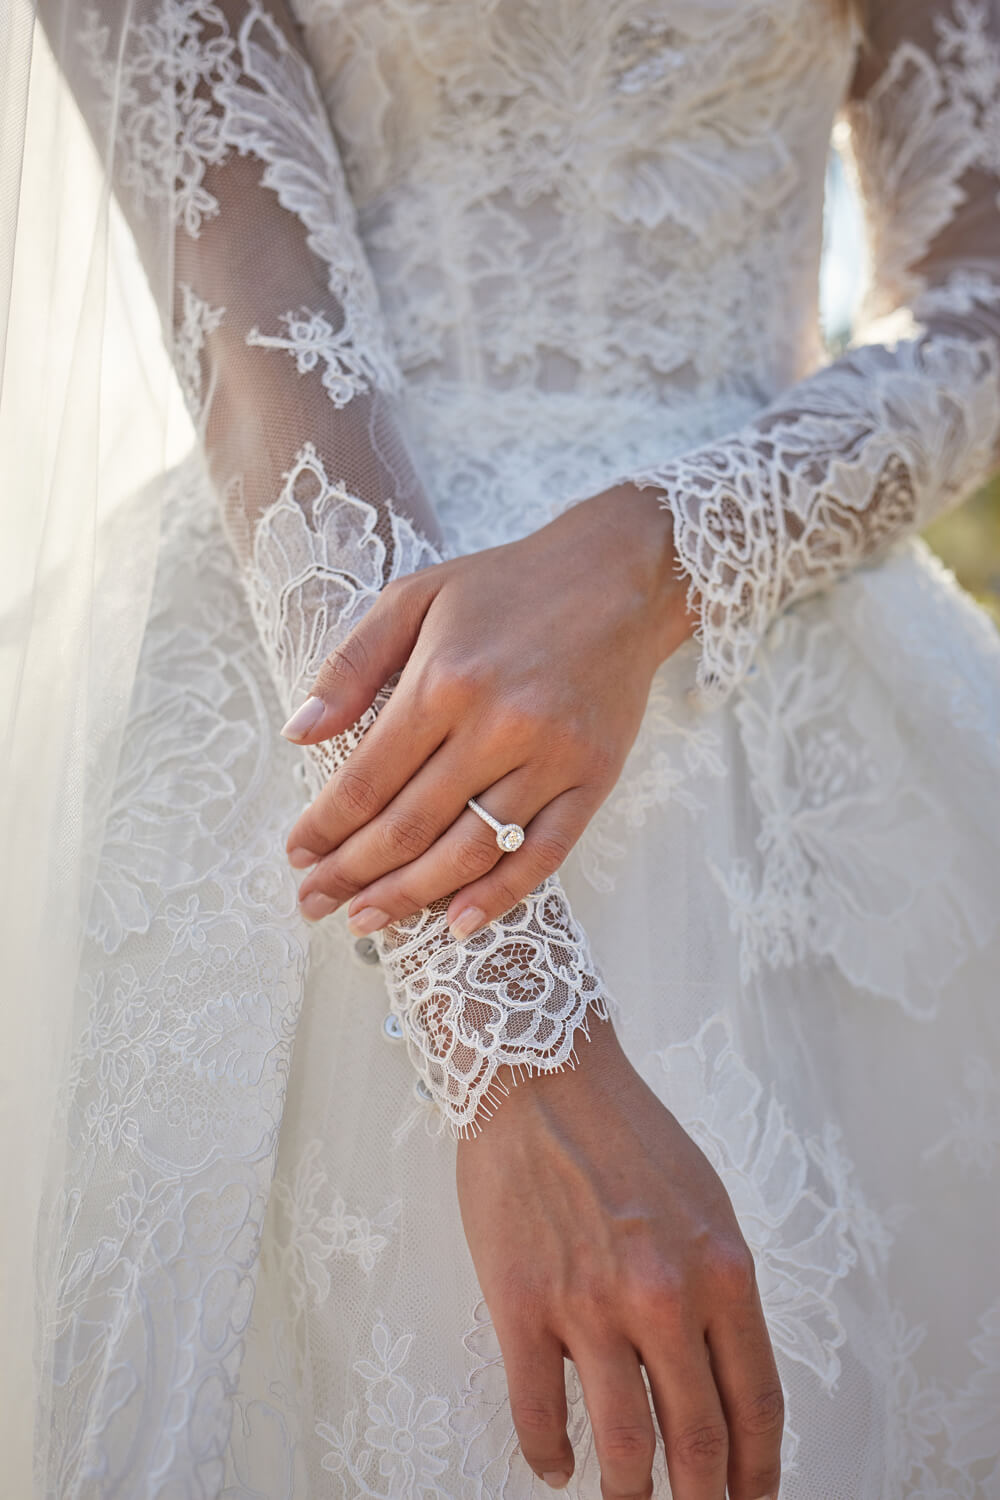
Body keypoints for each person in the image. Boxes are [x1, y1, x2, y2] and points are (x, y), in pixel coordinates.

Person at [1, 0, 999, 1494]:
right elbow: (256, 328)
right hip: (314, 647)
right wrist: (515, 1049)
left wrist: (664, 552)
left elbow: (979, 305)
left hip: (804, 686)